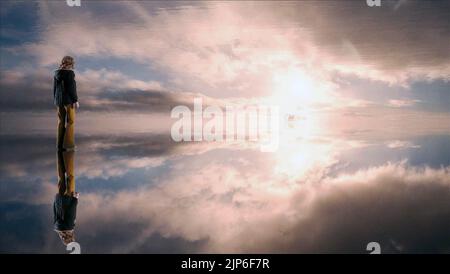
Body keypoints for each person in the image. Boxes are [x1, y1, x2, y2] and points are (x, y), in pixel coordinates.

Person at [54, 56, 79, 151]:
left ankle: (59, 146)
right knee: (71, 121)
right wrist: (75, 100)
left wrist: (56, 100)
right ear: (71, 64)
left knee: (61, 122)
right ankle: (69, 145)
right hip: (68, 101)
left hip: (58, 101)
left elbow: (55, 89)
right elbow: (71, 88)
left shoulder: (56, 73)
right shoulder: (70, 73)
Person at [54, 150, 79, 246]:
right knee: (61, 178)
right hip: (59, 200)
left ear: (71, 237)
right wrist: (55, 200)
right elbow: (55, 212)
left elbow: (71, 211)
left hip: (68, 199)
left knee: (70, 177)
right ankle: (60, 154)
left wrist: (75, 198)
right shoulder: (56, 228)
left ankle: (68, 152)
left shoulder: (69, 227)